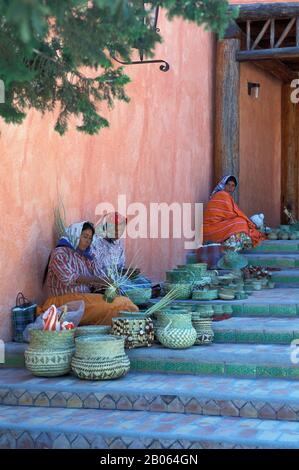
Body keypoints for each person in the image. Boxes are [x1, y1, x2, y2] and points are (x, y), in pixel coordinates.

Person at [38, 221, 138, 325]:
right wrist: (98, 280)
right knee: (123, 305)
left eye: (90, 238)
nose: (88, 241)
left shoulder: (85, 256)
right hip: (65, 303)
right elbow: (69, 278)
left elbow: (98, 275)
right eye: (85, 236)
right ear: (75, 234)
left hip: (84, 300)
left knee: (123, 303)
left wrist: (108, 285)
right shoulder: (59, 253)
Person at [203, 175, 266, 251]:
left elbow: (231, 215)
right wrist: (248, 222)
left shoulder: (224, 195)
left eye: (233, 186)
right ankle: (228, 248)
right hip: (212, 229)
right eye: (228, 184)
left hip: (213, 229)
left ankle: (229, 246)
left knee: (240, 222)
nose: (230, 187)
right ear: (223, 185)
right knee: (240, 222)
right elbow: (231, 214)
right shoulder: (222, 194)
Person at [92, 212, 152, 291]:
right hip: (104, 282)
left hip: (118, 279)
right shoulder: (96, 243)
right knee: (124, 288)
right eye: (114, 229)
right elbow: (97, 272)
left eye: (121, 229)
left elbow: (119, 267)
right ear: (105, 228)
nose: (118, 233)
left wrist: (127, 272)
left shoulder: (118, 243)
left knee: (145, 281)